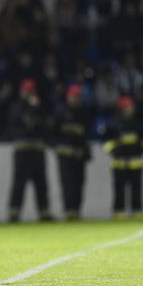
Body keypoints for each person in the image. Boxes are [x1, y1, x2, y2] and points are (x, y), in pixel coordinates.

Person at [6, 78, 51, 223]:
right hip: (23, 148)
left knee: (41, 183)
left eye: (31, 91)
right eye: (27, 91)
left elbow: (44, 123)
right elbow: (16, 122)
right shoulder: (17, 106)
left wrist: (36, 108)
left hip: (37, 148)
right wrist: (29, 106)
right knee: (19, 183)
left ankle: (44, 212)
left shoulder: (39, 107)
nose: (29, 93)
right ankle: (14, 213)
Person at [103, 96, 143, 219]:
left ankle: (137, 212)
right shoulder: (113, 124)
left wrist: (137, 148)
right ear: (122, 108)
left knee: (137, 190)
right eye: (128, 106)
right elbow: (106, 143)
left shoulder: (139, 123)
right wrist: (117, 149)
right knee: (119, 190)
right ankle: (119, 213)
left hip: (136, 162)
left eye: (131, 106)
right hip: (119, 163)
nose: (131, 109)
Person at [55, 84, 91, 221]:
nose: (76, 99)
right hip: (65, 156)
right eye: (74, 96)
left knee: (79, 184)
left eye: (78, 96)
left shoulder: (83, 114)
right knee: (67, 184)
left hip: (79, 156)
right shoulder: (61, 113)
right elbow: (53, 133)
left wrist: (85, 152)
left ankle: (76, 211)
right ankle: (69, 211)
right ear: (68, 97)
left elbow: (85, 137)